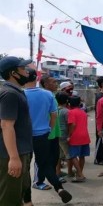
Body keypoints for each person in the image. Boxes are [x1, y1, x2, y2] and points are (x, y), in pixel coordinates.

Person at [24, 67, 72, 204]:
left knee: (25, 168)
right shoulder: (48, 95)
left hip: (25, 137)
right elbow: (54, 115)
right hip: (43, 135)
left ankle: (27, 200)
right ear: (36, 79)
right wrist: (49, 130)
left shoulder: (20, 95)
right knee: (45, 164)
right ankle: (59, 188)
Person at [0, 56, 33, 206]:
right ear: (13, 73)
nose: (27, 73)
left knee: (18, 193)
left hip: (19, 151)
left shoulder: (15, 92)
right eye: (23, 69)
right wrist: (13, 158)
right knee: (10, 199)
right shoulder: (10, 94)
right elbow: (7, 125)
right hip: (11, 154)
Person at [39, 75, 67, 185]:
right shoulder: (43, 96)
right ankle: (40, 180)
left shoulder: (53, 95)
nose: (56, 84)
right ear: (45, 84)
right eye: (53, 82)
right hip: (47, 132)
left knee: (55, 157)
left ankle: (54, 175)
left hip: (55, 132)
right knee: (45, 158)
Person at [67, 96, 90, 183]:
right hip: (85, 135)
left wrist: (69, 135)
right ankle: (79, 173)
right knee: (82, 155)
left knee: (73, 155)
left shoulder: (71, 112)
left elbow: (72, 124)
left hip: (76, 136)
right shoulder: (83, 112)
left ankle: (80, 174)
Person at [55, 91, 73, 178]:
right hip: (64, 135)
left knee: (58, 154)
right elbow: (69, 124)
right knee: (69, 154)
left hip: (56, 134)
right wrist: (70, 135)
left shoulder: (54, 110)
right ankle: (70, 172)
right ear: (66, 101)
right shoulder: (67, 112)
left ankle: (58, 171)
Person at [94, 76, 103, 165]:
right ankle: (99, 159)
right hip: (101, 121)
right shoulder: (100, 96)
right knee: (100, 140)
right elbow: (99, 113)